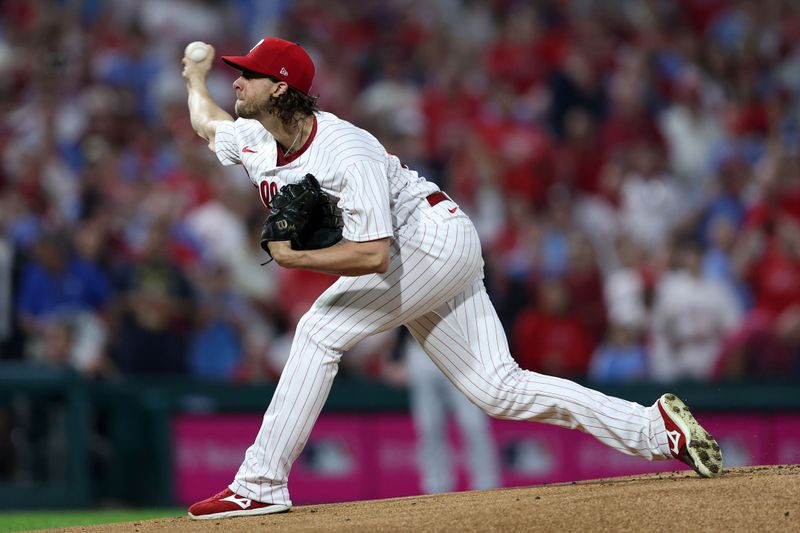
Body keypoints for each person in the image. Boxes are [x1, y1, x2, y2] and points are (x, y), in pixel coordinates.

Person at [182, 37, 723, 520]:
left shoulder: (347, 150)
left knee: (319, 330)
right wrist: (193, 78)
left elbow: (372, 256)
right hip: (426, 251)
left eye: (247, 74)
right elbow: (208, 123)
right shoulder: (254, 138)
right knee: (498, 389)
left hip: (429, 239)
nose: (236, 79)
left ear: (280, 89)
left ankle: (259, 484)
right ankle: (656, 428)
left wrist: (295, 259)